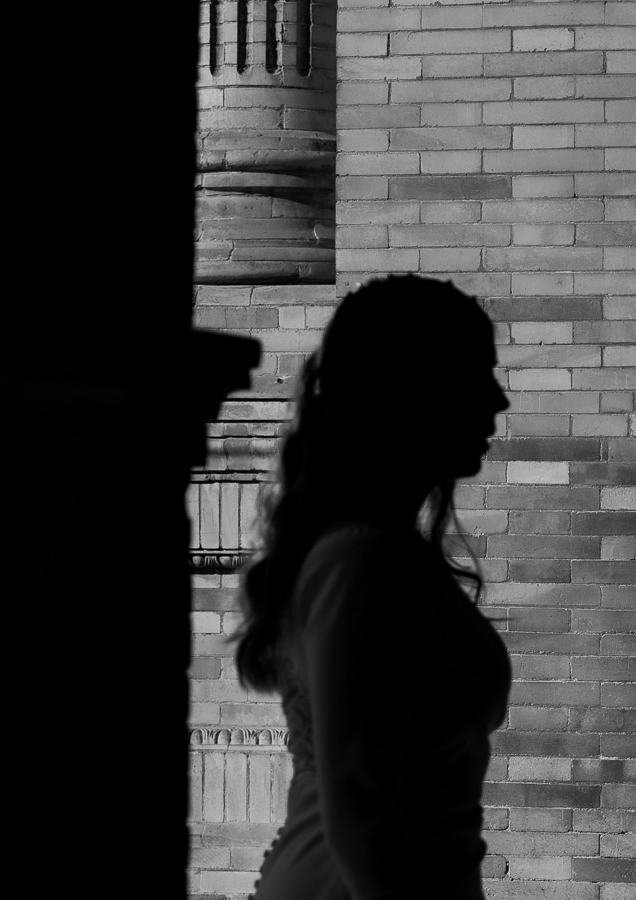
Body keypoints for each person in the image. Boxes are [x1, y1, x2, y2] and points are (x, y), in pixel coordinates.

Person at [233, 274, 512, 900]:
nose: (499, 402)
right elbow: (360, 812)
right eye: (475, 376)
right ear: (404, 389)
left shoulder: (385, 556)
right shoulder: (355, 564)